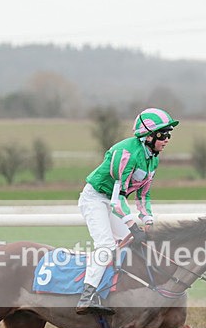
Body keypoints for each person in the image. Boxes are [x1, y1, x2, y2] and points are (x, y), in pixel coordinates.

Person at [75, 107, 179, 316]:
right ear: (148, 136)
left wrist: (147, 219)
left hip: (113, 200)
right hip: (95, 198)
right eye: (163, 134)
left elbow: (143, 196)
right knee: (105, 245)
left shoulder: (153, 157)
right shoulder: (127, 154)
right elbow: (117, 199)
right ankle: (86, 296)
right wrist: (132, 224)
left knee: (130, 244)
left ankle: (120, 291)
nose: (167, 139)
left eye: (169, 134)